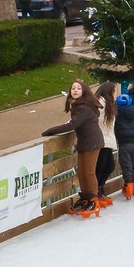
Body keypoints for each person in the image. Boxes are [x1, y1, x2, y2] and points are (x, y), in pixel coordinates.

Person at [41, 79, 105, 214]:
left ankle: (93, 199)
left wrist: (50, 131)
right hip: (84, 142)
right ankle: (86, 198)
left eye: (78, 88)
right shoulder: (77, 106)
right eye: (73, 88)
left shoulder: (84, 107)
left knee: (88, 172)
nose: (75, 90)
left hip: (92, 142)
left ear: (84, 91)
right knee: (81, 172)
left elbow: (72, 125)